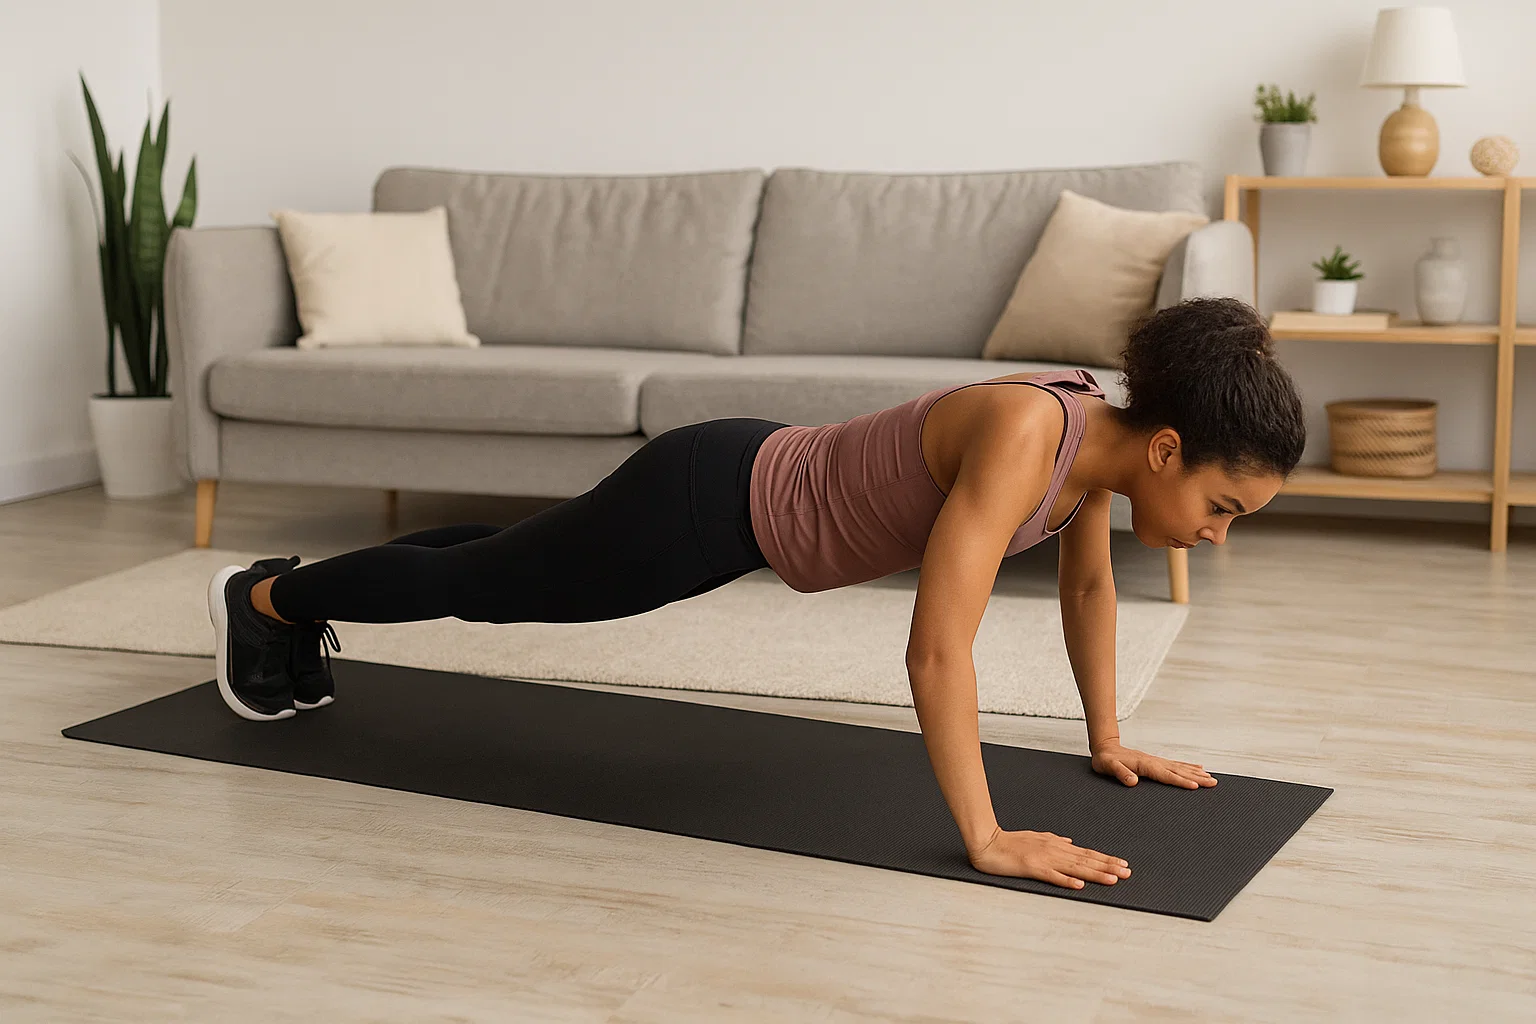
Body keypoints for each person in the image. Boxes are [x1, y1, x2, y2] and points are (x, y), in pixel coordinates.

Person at [207, 297, 1306, 891]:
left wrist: (1108, 735)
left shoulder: (1097, 456)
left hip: (734, 507)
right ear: (1167, 449)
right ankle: (267, 604)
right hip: (707, 499)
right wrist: (985, 833)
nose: (1213, 536)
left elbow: (1090, 594)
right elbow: (937, 649)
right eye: (1224, 506)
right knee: (489, 588)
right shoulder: (1033, 430)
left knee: (506, 565)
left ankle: (296, 596)